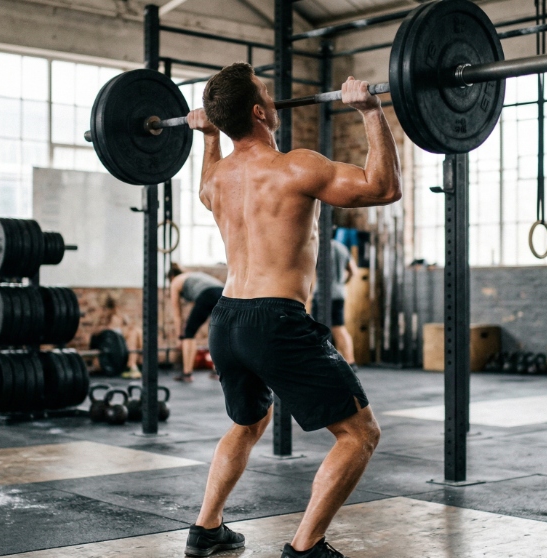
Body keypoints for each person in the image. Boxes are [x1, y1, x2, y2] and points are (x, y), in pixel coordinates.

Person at [182, 63, 400, 558]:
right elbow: (382, 188)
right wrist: (370, 110)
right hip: (275, 322)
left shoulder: (216, 180)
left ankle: (207, 529)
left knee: (247, 423)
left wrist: (208, 138)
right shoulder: (297, 167)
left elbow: (203, 189)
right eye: (268, 93)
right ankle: (306, 547)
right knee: (359, 434)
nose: (275, 100)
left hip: (227, 319)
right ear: (260, 112)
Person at [169, 263, 225, 382]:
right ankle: (219, 371)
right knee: (217, 332)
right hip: (224, 293)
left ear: (171, 277)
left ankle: (187, 374)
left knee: (189, 333)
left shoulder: (175, 281)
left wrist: (180, 336)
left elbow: (177, 314)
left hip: (207, 295)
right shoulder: (195, 276)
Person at [311, 238, 358, 369]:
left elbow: (310, 272)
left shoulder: (317, 246)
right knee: (339, 328)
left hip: (321, 294)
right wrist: (342, 283)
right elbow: (353, 271)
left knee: (316, 329)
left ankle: (319, 362)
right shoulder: (342, 248)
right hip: (338, 293)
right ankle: (351, 362)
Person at [103, 296, 142, 378]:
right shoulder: (109, 319)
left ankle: (132, 364)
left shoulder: (121, 317)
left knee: (136, 331)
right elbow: (112, 332)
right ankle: (132, 365)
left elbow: (127, 327)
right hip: (115, 344)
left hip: (124, 341)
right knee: (134, 333)